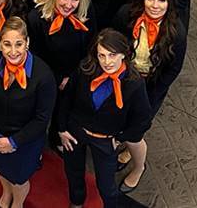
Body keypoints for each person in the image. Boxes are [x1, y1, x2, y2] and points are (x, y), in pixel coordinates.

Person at [58, 29, 151, 207]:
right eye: (101, 55)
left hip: (106, 140)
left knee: (106, 186)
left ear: (124, 54)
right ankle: (76, 203)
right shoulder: (85, 69)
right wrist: (62, 129)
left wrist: (120, 138)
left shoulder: (134, 83)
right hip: (76, 132)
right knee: (73, 172)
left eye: (112, 55)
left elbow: (142, 119)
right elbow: (66, 99)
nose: (107, 62)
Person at [112, 0, 186, 194]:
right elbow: (113, 41)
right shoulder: (126, 16)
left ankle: (138, 166)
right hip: (123, 78)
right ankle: (124, 142)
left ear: (169, 3)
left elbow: (173, 70)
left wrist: (151, 96)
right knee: (119, 116)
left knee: (136, 129)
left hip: (150, 84)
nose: (155, 5)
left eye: (162, 0)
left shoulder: (176, 32)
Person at [0, 17, 56, 208]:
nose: (13, 51)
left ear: (27, 43)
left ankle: (17, 203)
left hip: (26, 140)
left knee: (19, 179)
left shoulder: (43, 75)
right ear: (0, 44)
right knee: (0, 168)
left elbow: (42, 119)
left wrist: (13, 141)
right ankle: (6, 194)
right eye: (7, 44)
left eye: (19, 44)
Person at [27, 0, 95, 101]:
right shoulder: (36, 18)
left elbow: (91, 47)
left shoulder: (86, 11)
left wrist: (77, 77)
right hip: (48, 80)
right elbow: (35, 57)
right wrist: (59, 79)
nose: (69, 5)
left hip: (80, 76)